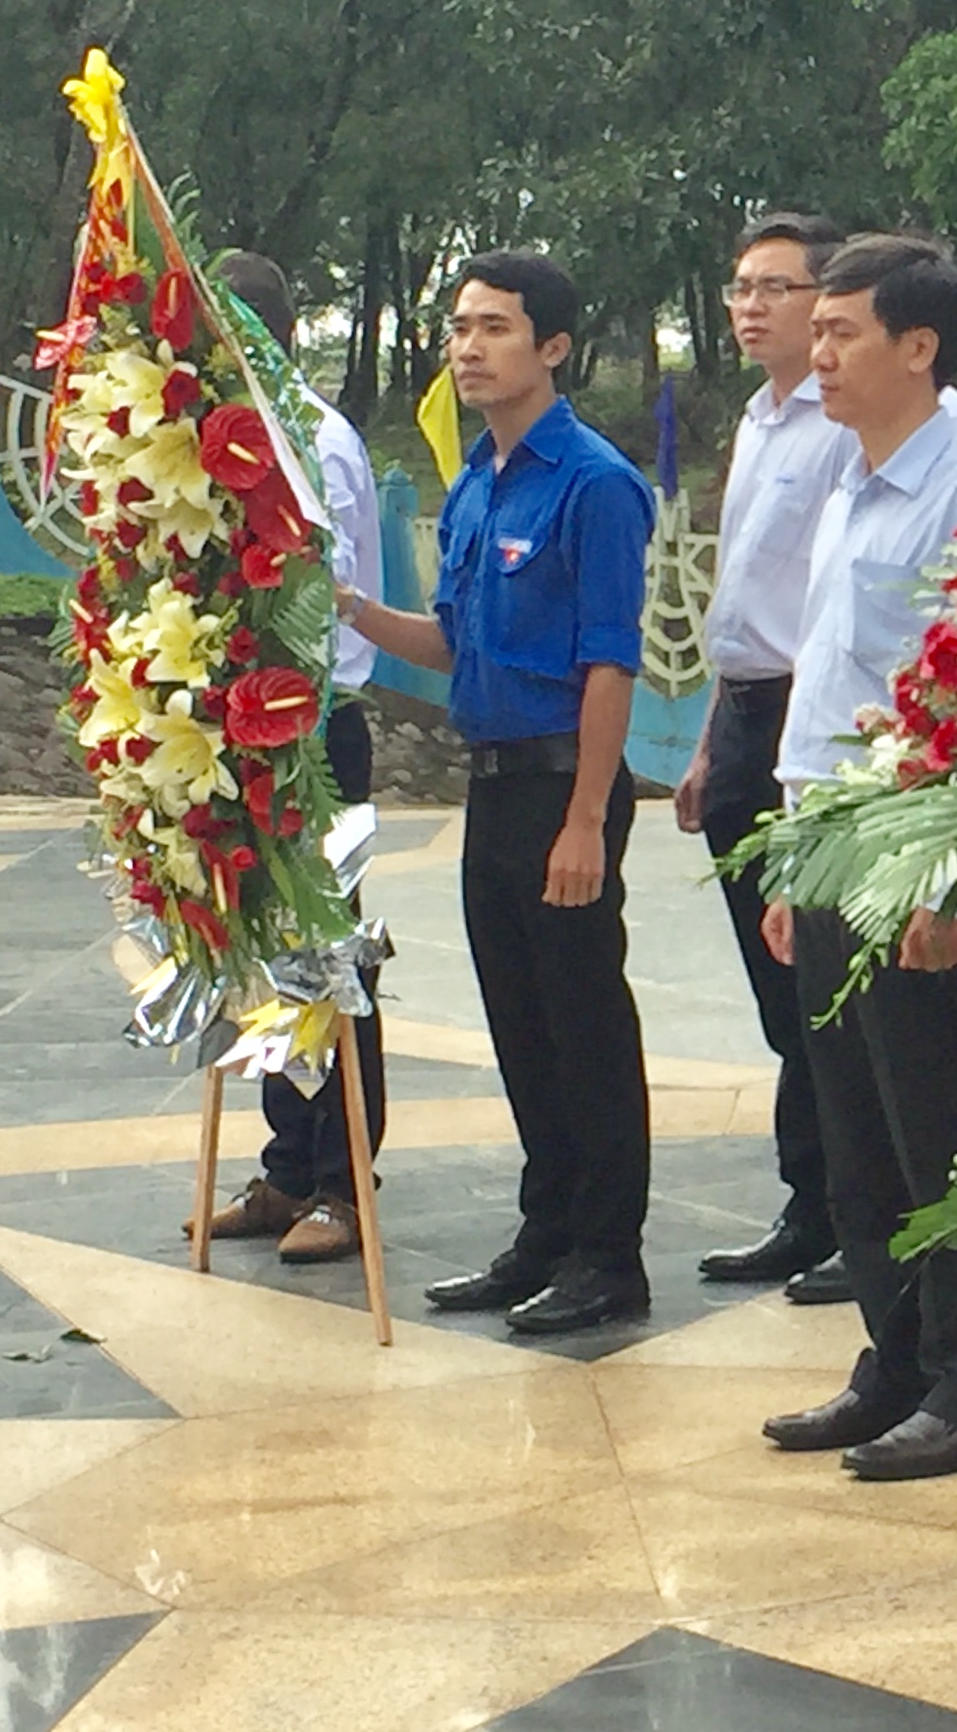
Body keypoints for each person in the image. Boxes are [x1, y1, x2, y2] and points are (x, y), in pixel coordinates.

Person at [341, 252, 659, 1335]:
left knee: (583, 1021)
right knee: (520, 1021)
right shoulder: (479, 477)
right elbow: (450, 639)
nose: (468, 347)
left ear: (554, 347)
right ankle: (549, 1227)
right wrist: (344, 604)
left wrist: (587, 820)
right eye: (459, 327)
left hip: (563, 781)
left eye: (494, 328)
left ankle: (609, 1252)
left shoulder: (596, 483)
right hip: (492, 783)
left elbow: (610, 663)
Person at [754, 235, 957, 1483]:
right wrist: (791, 860)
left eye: (842, 331)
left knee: (941, 1125)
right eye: (818, 331)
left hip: (922, 847)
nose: (819, 352)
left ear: (919, 346)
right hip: (833, 840)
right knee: (858, 1127)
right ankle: (898, 1360)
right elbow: (832, 683)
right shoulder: (855, 473)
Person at [670, 211, 859, 1304]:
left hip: (811, 714)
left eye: (776, 288)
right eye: (741, 286)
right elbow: (742, 595)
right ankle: (810, 1199)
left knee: (821, 976)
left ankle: (850, 1206)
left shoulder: (842, 425)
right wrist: (707, 737)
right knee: (774, 977)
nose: (751, 306)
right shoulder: (758, 420)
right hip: (744, 713)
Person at [188, 250, 390, 1265]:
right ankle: (285, 1163)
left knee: (330, 955)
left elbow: (319, 590)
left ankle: (343, 1181)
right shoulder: (228, 440)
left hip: (313, 727)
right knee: (264, 953)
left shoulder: (316, 441)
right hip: (248, 727)